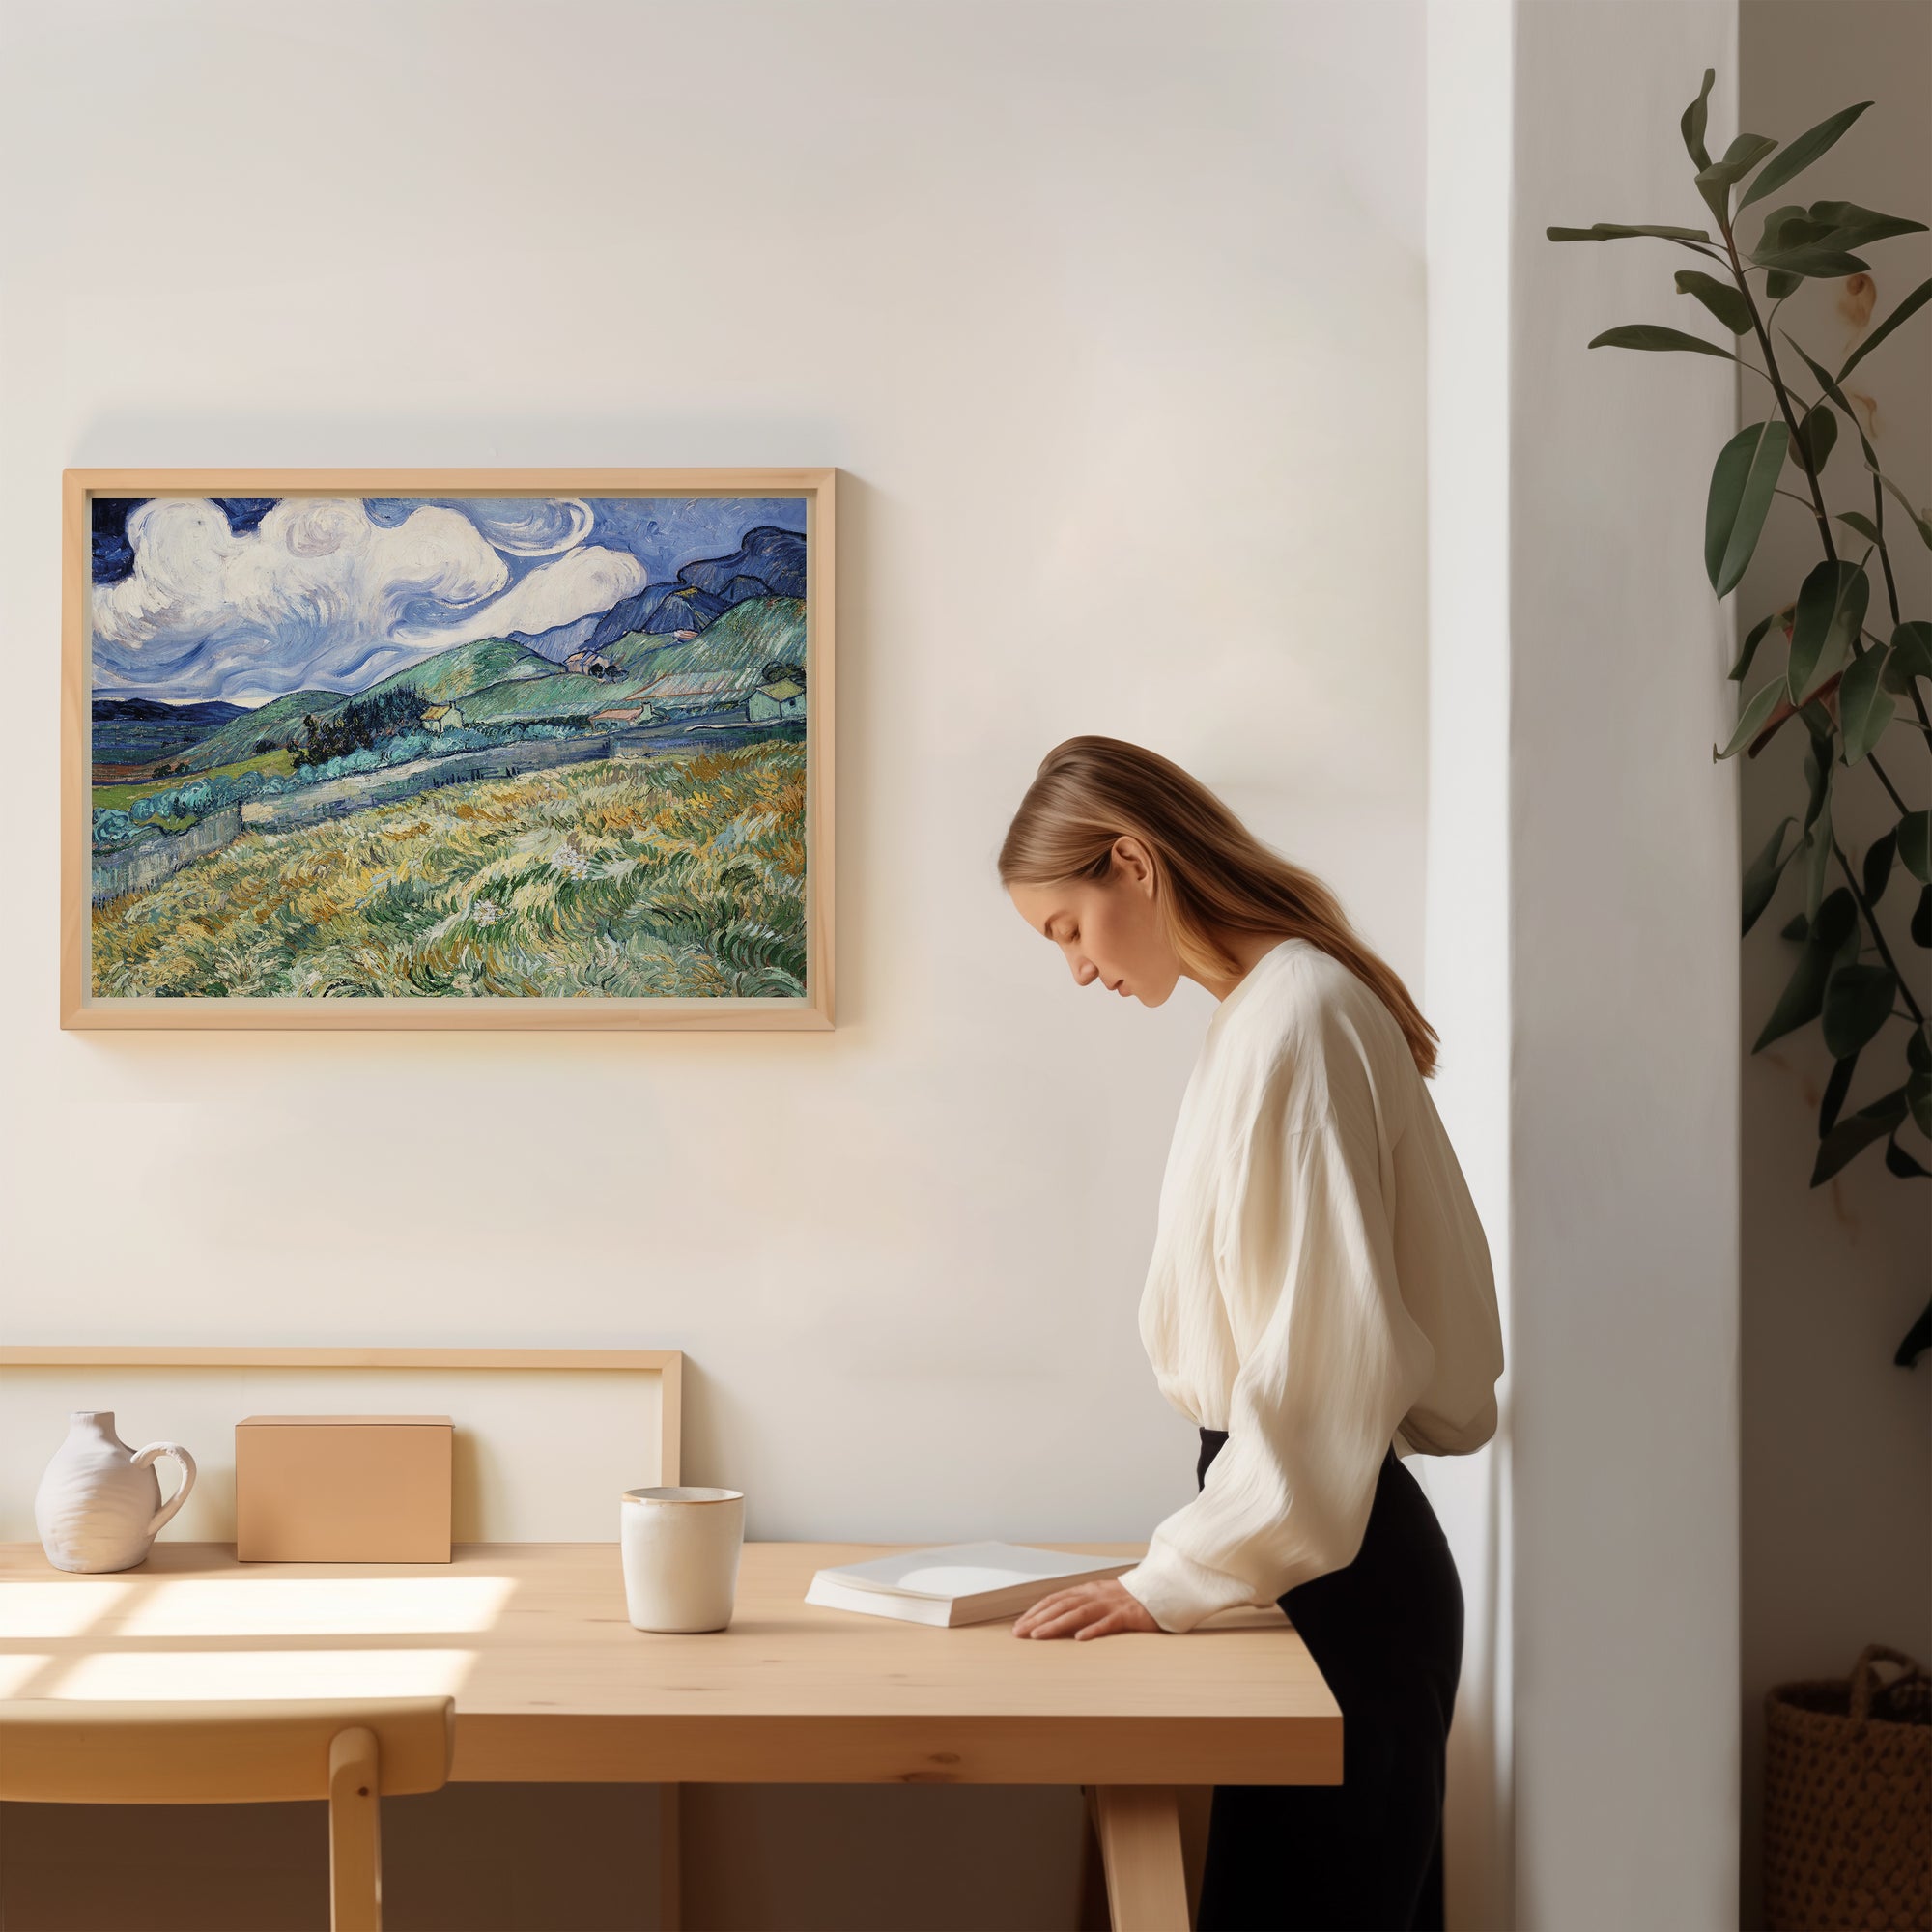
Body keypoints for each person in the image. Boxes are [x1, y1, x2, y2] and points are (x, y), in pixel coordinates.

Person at [999, 736, 1503, 1932]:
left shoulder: (1297, 1018)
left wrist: (1169, 1575)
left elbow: (1325, 1358)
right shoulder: (1262, 1010)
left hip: (1337, 1564)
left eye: (1067, 926)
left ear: (1131, 861)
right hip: (1312, 1546)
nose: (1073, 969)